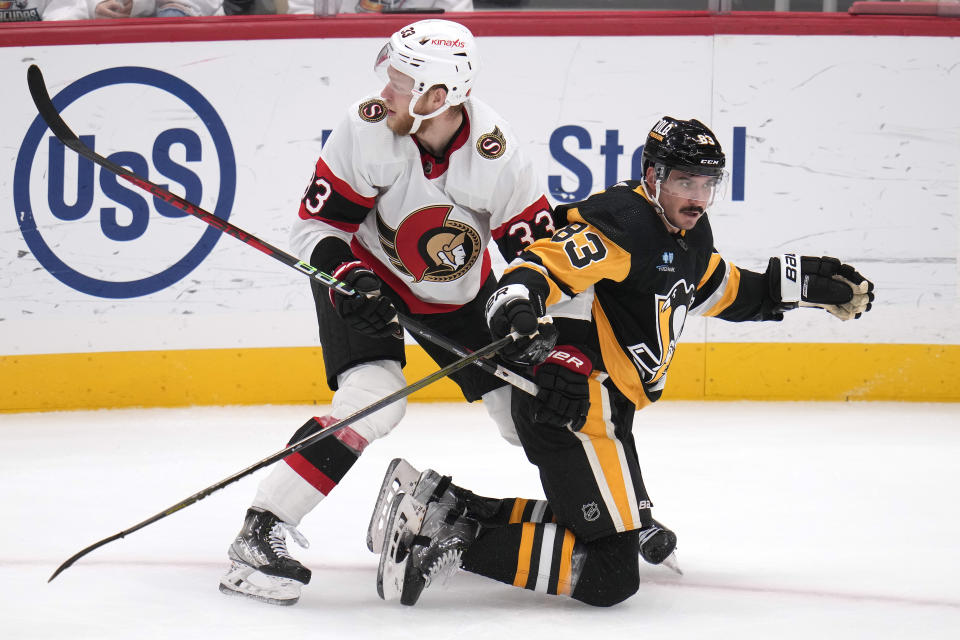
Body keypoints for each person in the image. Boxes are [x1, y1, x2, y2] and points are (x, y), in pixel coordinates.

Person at [374, 116, 875, 607]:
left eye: (707, 183)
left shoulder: (688, 234)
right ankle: (444, 543)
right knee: (611, 574)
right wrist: (516, 305)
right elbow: (541, 267)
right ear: (654, 176)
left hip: (610, 406)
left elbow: (717, 288)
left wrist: (788, 289)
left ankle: (448, 506)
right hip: (573, 401)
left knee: (615, 523)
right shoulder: (623, 223)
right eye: (684, 180)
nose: (697, 196)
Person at [218, 19, 560, 606]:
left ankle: (613, 516)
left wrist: (532, 310)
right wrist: (347, 276)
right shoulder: (367, 128)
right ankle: (261, 529)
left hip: (461, 295)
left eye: (400, 82)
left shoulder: (498, 153)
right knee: (375, 396)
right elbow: (317, 227)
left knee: (526, 409)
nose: (385, 92)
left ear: (438, 97)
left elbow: (541, 252)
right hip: (366, 278)